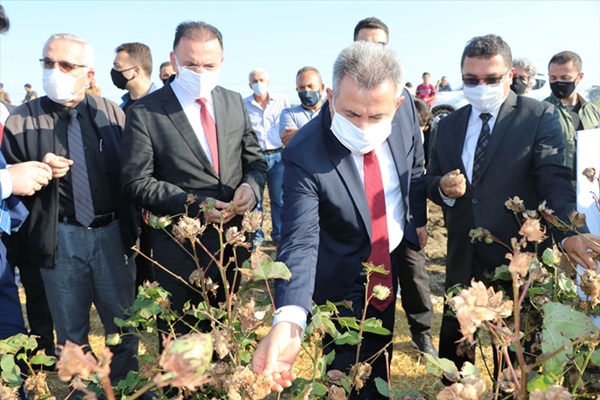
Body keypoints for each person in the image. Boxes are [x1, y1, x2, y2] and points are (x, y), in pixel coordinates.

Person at [253, 41, 426, 400]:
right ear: (331, 96)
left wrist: (417, 218)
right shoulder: (305, 151)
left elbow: (416, 165)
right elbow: (300, 238)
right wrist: (289, 319)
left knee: (380, 362)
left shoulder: (407, 110)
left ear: (396, 103)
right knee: (345, 376)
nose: (363, 128)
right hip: (342, 271)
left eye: (376, 117)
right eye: (350, 114)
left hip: (387, 260)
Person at [425, 34, 600, 374]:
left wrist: (570, 233)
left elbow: (554, 180)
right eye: (471, 80)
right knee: (459, 353)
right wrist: (443, 188)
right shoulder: (447, 127)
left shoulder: (539, 117)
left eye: (491, 79)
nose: (480, 86)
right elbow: (429, 181)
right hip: (464, 256)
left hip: (518, 258)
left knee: (520, 362)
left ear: (510, 75)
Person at [2, 33, 141, 387]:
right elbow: (11, 187)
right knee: (70, 334)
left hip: (111, 234)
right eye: (48, 63)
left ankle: (124, 389)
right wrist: (37, 168)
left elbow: (130, 175)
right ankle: (81, 394)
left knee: (123, 326)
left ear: (89, 73)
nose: (55, 71)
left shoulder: (111, 114)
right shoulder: (20, 121)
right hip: (59, 239)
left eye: (65, 65)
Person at [121, 21, 267, 339]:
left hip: (230, 243)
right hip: (178, 246)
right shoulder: (146, 112)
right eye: (190, 64)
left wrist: (250, 189)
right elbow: (136, 181)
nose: (200, 72)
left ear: (222, 63)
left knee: (222, 336)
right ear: (174, 61)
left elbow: (255, 161)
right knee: (181, 345)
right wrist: (195, 206)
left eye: (209, 65)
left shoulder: (233, 103)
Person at [354, 16, 435, 356]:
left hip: (400, 211)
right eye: (366, 44)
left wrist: (419, 218)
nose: (373, 51)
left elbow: (415, 163)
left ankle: (423, 333)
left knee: (415, 276)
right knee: (366, 282)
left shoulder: (402, 99)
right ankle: (365, 343)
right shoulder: (344, 96)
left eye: (380, 45)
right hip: (362, 215)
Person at [243, 69, 289, 247]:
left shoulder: (281, 100)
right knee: (257, 201)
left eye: (261, 79)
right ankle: (257, 236)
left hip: (278, 155)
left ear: (268, 82)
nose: (258, 83)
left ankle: (279, 234)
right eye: (254, 80)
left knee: (278, 199)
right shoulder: (244, 104)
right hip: (256, 157)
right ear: (249, 85)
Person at [544, 51, 600, 181]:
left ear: (579, 77)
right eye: (553, 78)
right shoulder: (540, 111)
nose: (558, 82)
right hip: (555, 188)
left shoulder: (594, 113)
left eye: (565, 78)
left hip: (588, 189)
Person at [279, 66, 325, 146]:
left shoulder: (333, 110)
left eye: (310, 86)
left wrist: (299, 134)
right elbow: (289, 140)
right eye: (302, 87)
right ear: (297, 90)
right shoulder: (289, 113)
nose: (306, 90)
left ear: (322, 88)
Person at [112, 42, 158, 113]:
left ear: (136, 71)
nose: (114, 70)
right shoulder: (120, 109)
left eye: (117, 66)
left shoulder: (163, 106)